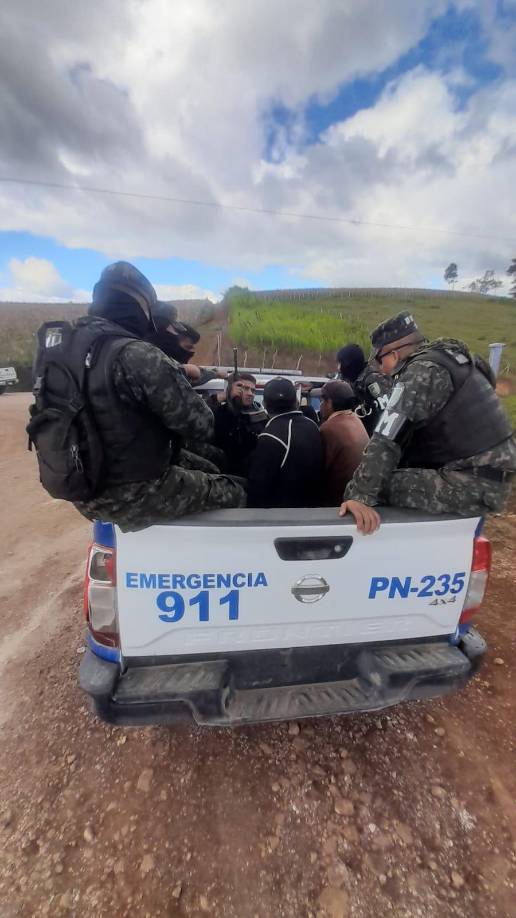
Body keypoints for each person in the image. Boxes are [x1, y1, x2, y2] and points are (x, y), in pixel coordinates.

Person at [72, 261, 246, 531]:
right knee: (237, 490)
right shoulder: (138, 354)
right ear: (140, 305)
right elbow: (199, 424)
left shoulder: (69, 351)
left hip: (84, 488)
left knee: (211, 467)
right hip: (133, 492)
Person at [339, 311, 516, 534]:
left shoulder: (421, 371)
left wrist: (359, 496)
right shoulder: (456, 359)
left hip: (472, 484)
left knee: (379, 485)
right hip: (494, 476)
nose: (380, 367)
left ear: (393, 354)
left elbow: (386, 440)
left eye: (379, 359)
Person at [247, 378, 323, 508]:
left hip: (283, 516)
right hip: (311, 508)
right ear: (296, 402)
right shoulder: (312, 425)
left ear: (264, 404)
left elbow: (257, 489)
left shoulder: (270, 436)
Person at [147, 300, 225, 386]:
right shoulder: (156, 368)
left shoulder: (162, 364)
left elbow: (187, 376)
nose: (191, 353)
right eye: (187, 347)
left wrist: (213, 374)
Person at [317, 380, 369, 505]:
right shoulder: (356, 420)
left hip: (339, 503)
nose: (320, 405)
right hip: (360, 496)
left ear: (329, 403)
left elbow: (317, 470)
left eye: (322, 401)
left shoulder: (328, 429)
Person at [210, 372, 268, 476]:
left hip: (248, 477)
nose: (250, 393)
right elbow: (197, 415)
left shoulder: (260, 416)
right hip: (220, 475)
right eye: (245, 389)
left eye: (253, 390)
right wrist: (223, 397)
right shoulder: (219, 413)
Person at [336, 342, 392, 435]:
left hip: (373, 431)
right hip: (357, 426)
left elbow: (387, 411)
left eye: (340, 364)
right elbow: (334, 386)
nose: (338, 368)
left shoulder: (373, 380)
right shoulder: (349, 376)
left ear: (349, 364)